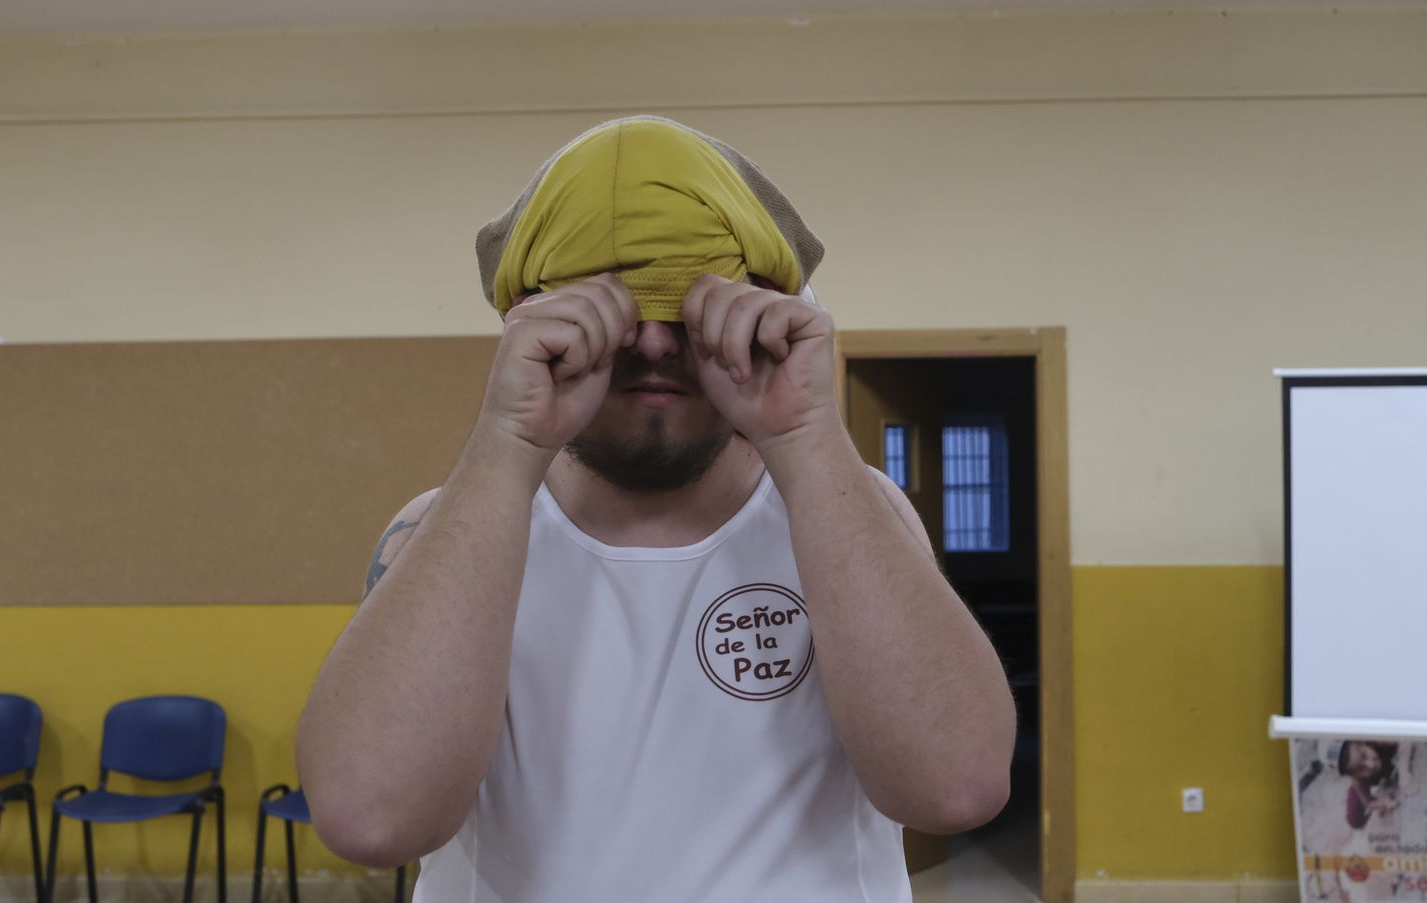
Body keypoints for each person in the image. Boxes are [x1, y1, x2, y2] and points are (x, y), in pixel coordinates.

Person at [296, 115, 1016, 902]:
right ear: (525, 329)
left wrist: (809, 434)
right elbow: (372, 818)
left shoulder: (850, 510)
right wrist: (506, 441)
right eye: (606, 316)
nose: (650, 345)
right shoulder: (442, 529)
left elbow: (956, 788)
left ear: (771, 314)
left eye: (686, 310)